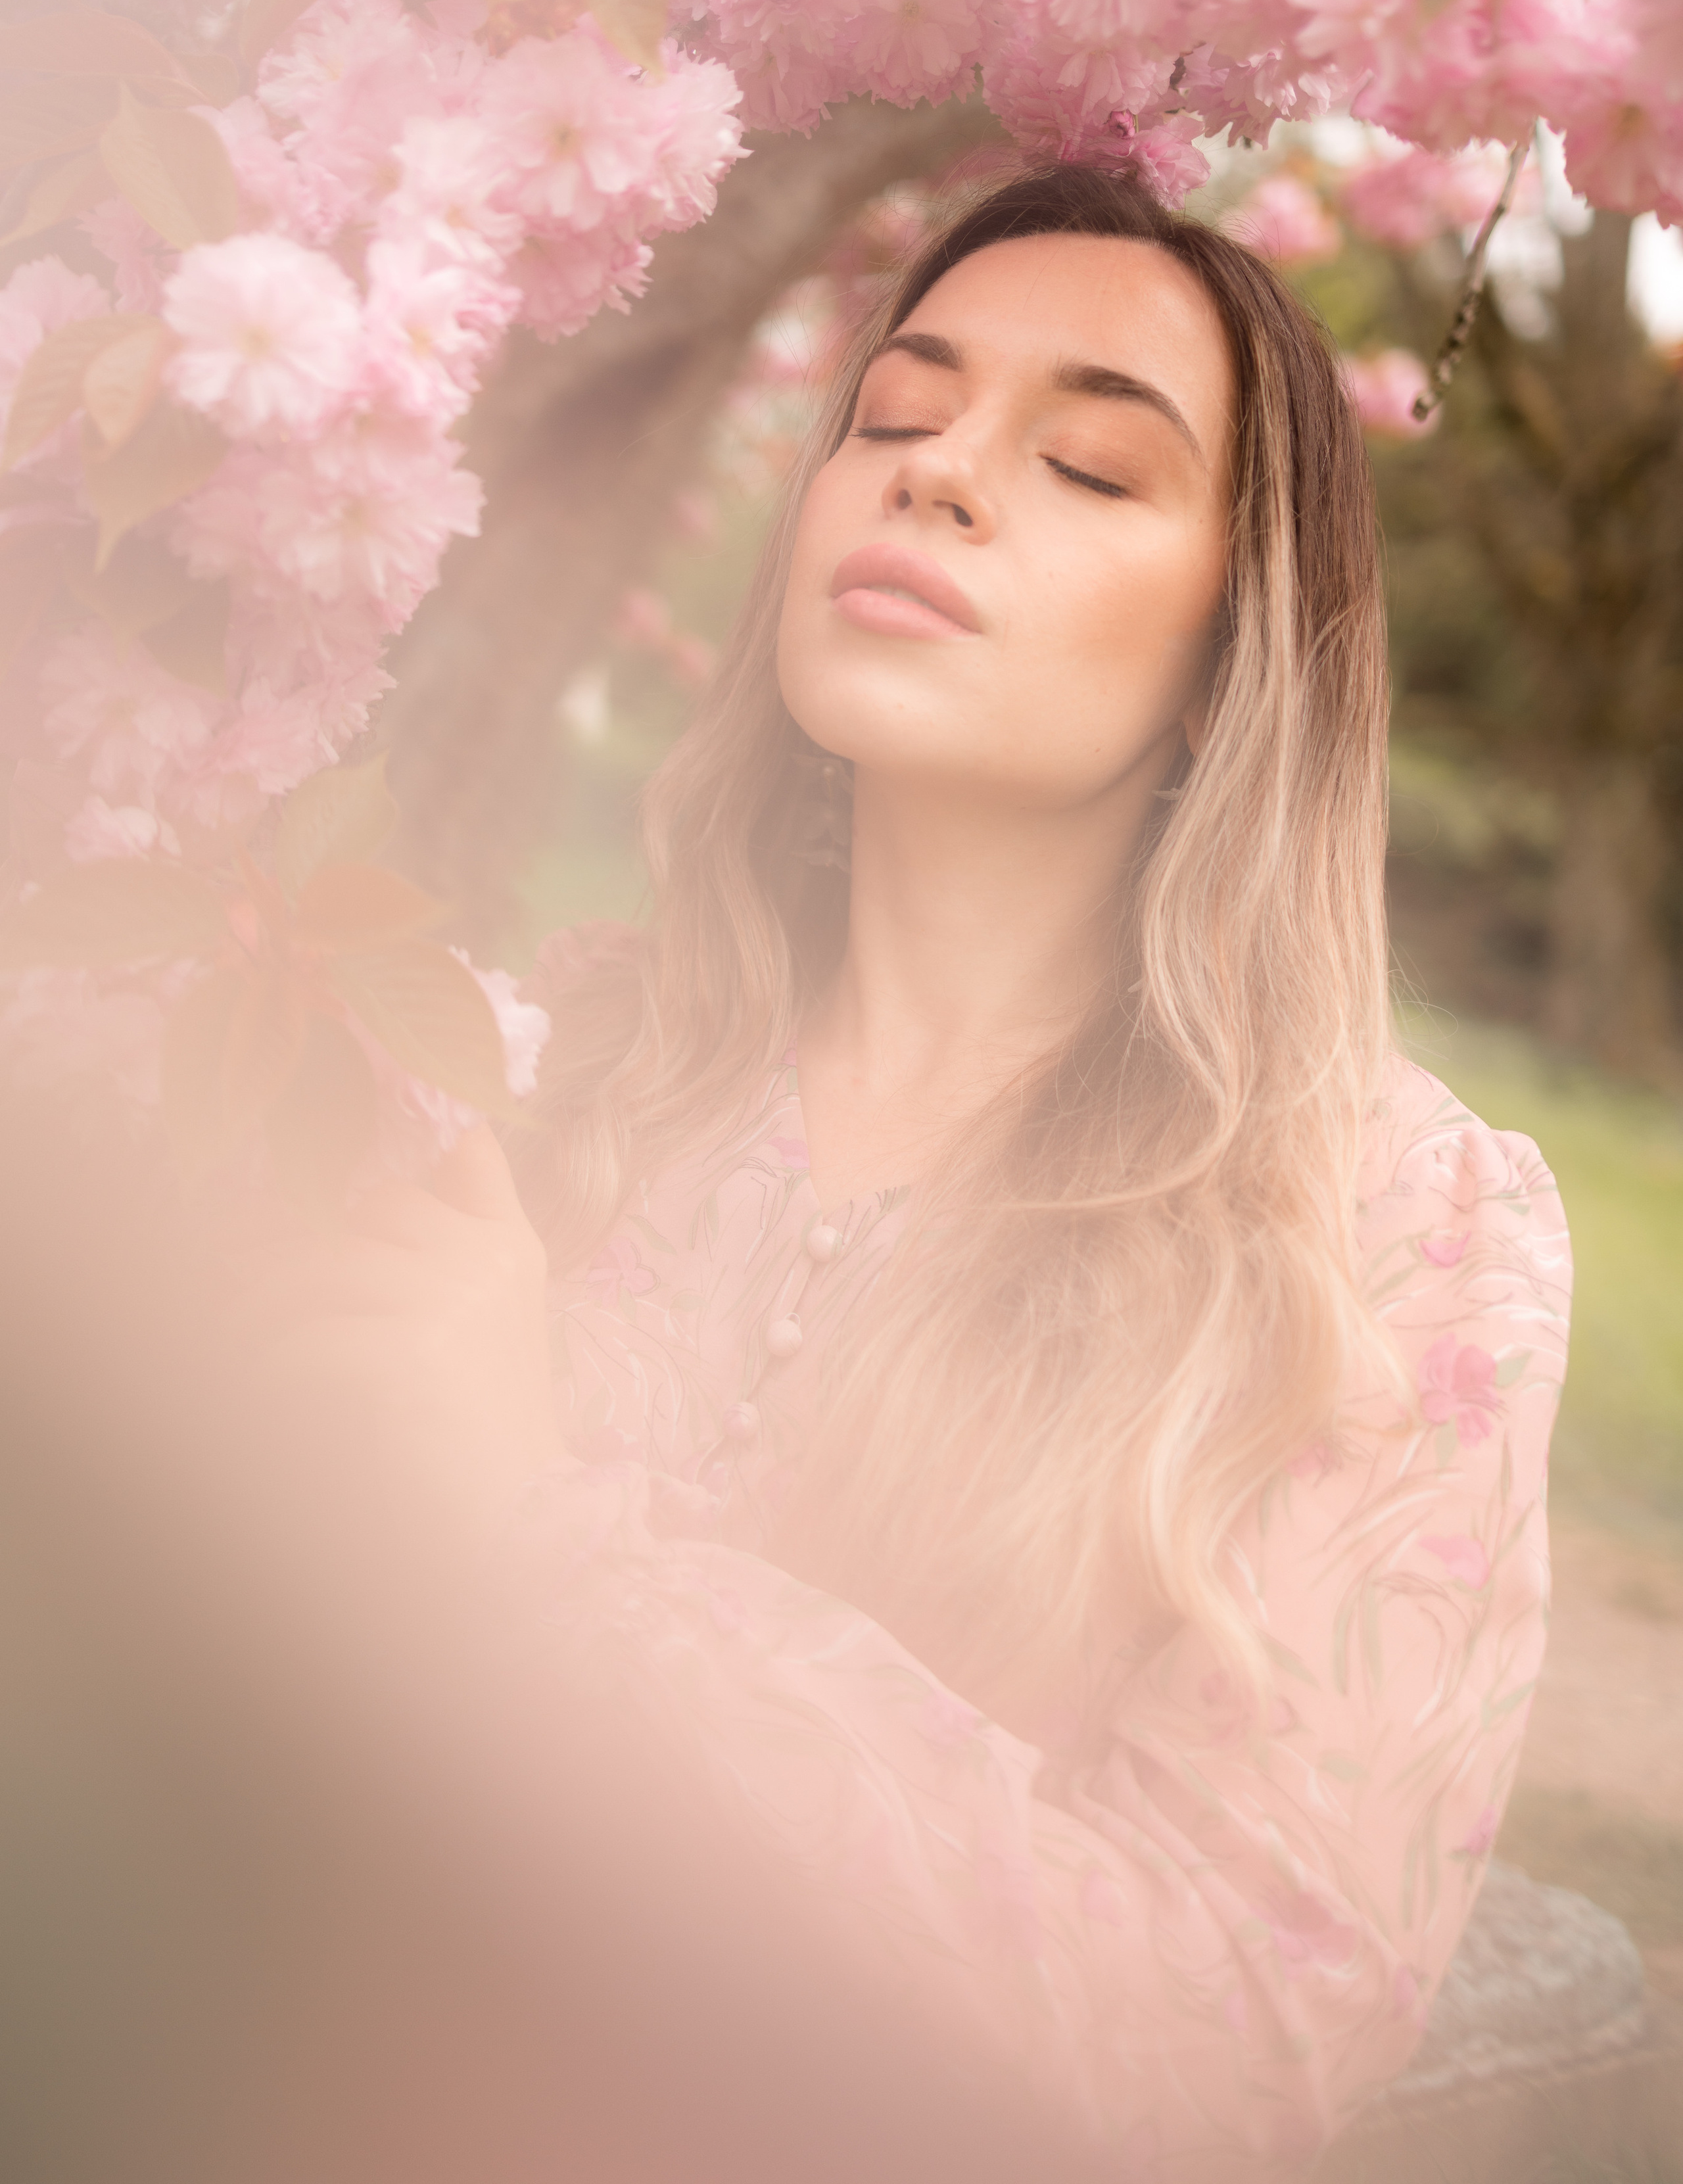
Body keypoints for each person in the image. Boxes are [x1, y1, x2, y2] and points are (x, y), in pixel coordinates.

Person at [133, 163, 1571, 2177]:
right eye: (893, 419)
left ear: (1239, 647)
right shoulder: (548, 1066)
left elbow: (1225, 2043)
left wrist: (543, 1538)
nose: (941, 477)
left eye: (1086, 464)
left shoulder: (1398, 1233)